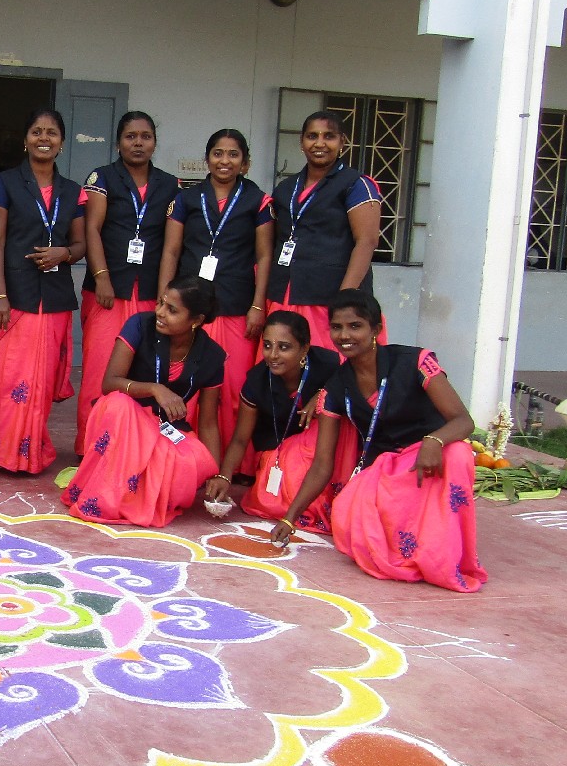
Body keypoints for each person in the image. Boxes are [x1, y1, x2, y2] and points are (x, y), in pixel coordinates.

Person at [273, 290, 485, 594]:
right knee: (347, 520)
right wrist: (289, 518)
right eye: (337, 327)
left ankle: (440, 556)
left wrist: (435, 440)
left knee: (459, 454)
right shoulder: (335, 387)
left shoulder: (415, 361)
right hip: (384, 469)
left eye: (355, 326)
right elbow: (322, 464)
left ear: (376, 329)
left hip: (430, 458)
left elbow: (464, 421)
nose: (344, 335)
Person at [0, 109, 84, 473]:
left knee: (38, 383)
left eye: (51, 132)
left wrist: (64, 253)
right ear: (25, 140)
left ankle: (28, 452)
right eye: (36, 131)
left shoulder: (73, 191)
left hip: (54, 298)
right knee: (2, 378)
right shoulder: (5, 182)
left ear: (61, 143)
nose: (43, 138)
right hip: (13, 295)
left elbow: (80, 244)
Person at [64, 276, 225, 527]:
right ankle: (113, 498)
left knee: (193, 461)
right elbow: (110, 383)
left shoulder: (212, 356)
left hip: (166, 428)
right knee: (118, 404)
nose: (160, 312)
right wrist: (154, 389)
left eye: (172, 310)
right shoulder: (139, 325)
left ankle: (135, 497)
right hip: (126, 420)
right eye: (161, 303)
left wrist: (217, 474)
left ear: (196, 320)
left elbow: (208, 423)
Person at [160, 128, 273, 469]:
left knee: (234, 388)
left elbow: (264, 255)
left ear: (245, 163)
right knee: (190, 386)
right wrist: (164, 300)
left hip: (236, 305)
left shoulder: (258, 201)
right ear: (207, 159)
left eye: (233, 154)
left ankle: (234, 466)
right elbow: (171, 250)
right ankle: (186, 461)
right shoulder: (186, 199)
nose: (225, 161)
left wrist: (258, 305)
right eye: (218, 153)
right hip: (191, 309)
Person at [78, 111, 180, 454]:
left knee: (144, 368)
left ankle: (131, 448)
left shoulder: (170, 184)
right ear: (118, 142)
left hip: (150, 291)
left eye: (145, 137)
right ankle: (91, 447)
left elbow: (171, 243)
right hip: (108, 290)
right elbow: (92, 229)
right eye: (130, 136)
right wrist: (101, 277)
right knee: (100, 368)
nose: (138, 143)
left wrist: (165, 294)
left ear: (155, 142)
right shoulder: (102, 177)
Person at [204, 311, 351, 533]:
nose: (272, 355)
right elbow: (241, 439)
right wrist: (224, 476)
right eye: (267, 345)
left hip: (321, 449)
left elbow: (352, 391)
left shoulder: (328, 365)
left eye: (284, 347)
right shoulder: (256, 381)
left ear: (304, 349)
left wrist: (324, 395)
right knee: (272, 498)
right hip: (278, 453)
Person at [264, 110, 382, 352]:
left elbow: (367, 241)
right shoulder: (285, 188)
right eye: (312, 136)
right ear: (302, 142)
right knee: (281, 365)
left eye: (329, 136)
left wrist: (344, 300)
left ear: (342, 142)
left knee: (325, 366)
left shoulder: (356, 184)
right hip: (283, 296)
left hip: (328, 301)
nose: (319, 143)